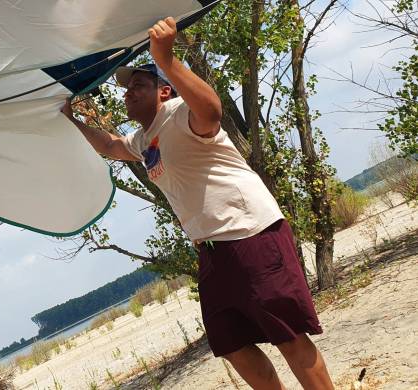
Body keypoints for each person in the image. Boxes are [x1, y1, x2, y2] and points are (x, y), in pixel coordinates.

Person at [63, 18, 334, 389]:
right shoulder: (144, 139)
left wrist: (167, 59)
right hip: (211, 251)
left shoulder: (180, 114)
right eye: (127, 89)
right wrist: (70, 120)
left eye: (138, 85)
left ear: (164, 92)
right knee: (233, 344)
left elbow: (212, 112)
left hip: (249, 233)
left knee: (286, 334)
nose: (127, 93)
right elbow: (109, 145)